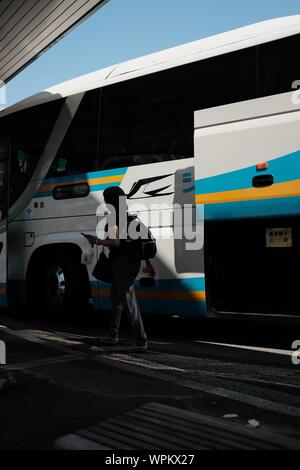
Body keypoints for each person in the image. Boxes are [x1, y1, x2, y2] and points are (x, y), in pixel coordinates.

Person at [85, 186, 148, 352]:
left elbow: (115, 243)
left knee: (128, 301)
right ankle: (112, 336)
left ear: (110, 201)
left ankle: (141, 341)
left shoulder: (114, 217)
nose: (105, 203)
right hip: (132, 263)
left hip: (122, 264)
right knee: (116, 298)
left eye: (106, 200)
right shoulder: (126, 215)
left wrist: (96, 240)